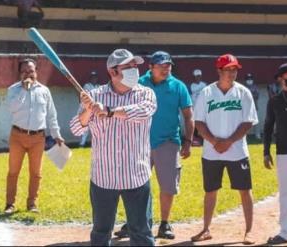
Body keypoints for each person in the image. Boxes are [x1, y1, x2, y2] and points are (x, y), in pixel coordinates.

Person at [70, 49, 157, 246]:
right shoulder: (94, 95)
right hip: (103, 177)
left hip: (136, 176)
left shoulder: (146, 94)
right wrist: (87, 111)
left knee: (141, 232)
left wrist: (108, 111)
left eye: (136, 66)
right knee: (101, 233)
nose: (135, 70)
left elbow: (144, 112)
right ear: (112, 71)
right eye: (129, 67)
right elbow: (75, 129)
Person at [114, 51, 194, 240]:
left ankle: (164, 224)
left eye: (168, 65)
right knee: (135, 185)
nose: (166, 68)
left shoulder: (178, 86)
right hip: (138, 142)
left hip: (168, 142)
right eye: (161, 65)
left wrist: (188, 141)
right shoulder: (138, 83)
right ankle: (136, 222)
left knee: (167, 185)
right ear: (150, 67)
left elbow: (188, 116)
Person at [191, 54, 258, 245]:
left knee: (245, 190)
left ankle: (249, 231)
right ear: (219, 70)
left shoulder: (243, 92)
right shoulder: (206, 92)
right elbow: (199, 122)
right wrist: (214, 141)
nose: (232, 73)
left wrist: (228, 141)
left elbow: (248, 122)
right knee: (210, 191)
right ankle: (205, 229)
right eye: (228, 69)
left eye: (234, 69)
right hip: (211, 152)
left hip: (237, 151)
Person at [5, 58, 64, 214]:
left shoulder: (44, 91)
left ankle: (32, 204)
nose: (28, 74)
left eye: (31, 71)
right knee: (13, 171)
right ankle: (10, 204)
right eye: (24, 71)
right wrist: (24, 90)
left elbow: (51, 114)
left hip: (38, 137)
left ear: (36, 72)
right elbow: (12, 108)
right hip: (18, 135)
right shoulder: (13, 89)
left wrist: (56, 134)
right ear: (19, 73)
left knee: (36, 173)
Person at [264, 63, 287, 245]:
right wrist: (266, 152)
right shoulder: (274, 101)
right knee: (285, 194)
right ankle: (285, 233)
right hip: (283, 153)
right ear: (280, 78)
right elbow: (268, 126)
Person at [79, 71, 100, 147]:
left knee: (96, 127)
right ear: (90, 78)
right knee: (85, 128)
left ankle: (95, 144)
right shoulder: (87, 85)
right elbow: (86, 97)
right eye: (92, 77)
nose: (94, 79)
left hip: (96, 109)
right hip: (87, 109)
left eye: (95, 77)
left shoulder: (98, 86)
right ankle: (82, 144)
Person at [190, 69, 207, 146]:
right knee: (195, 124)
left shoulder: (204, 85)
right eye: (197, 76)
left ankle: (204, 139)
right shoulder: (192, 85)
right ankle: (195, 139)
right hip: (194, 108)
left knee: (203, 123)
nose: (198, 78)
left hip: (203, 108)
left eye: (199, 76)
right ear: (194, 77)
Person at [244, 73, 261, 139]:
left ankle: (258, 135)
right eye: (248, 79)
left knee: (256, 122)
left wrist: (250, 96)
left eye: (251, 79)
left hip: (254, 107)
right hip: (246, 108)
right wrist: (251, 95)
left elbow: (257, 96)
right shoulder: (243, 88)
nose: (249, 80)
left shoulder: (255, 87)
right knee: (245, 122)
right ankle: (245, 136)